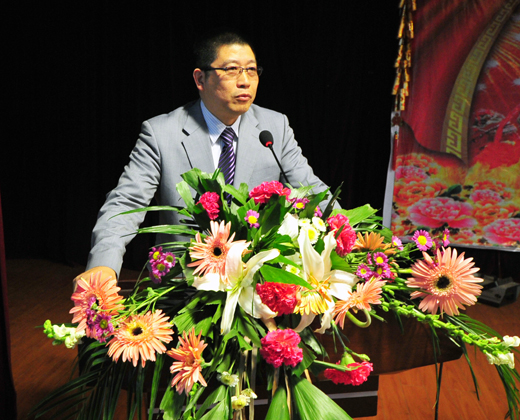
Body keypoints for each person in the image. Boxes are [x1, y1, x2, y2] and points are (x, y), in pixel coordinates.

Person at [74, 31, 334, 286]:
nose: (245, 81)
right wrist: (103, 264)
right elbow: (126, 203)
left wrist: (349, 237)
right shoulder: (161, 133)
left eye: (251, 70)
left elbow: (312, 191)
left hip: (257, 284)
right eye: (232, 70)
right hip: (184, 285)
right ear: (200, 79)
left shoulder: (275, 127)